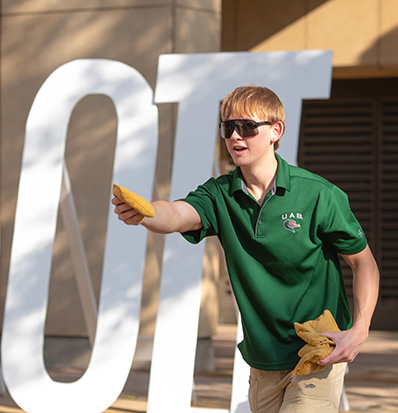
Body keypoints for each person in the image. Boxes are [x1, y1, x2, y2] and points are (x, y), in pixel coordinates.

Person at [112, 85, 380, 412]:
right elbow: (177, 214)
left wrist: (359, 329)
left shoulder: (318, 194)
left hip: (318, 348)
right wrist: (146, 214)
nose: (236, 136)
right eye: (228, 127)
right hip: (263, 356)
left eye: (248, 127)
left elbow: (363, 262)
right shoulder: (219, 194)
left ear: (275, 131)